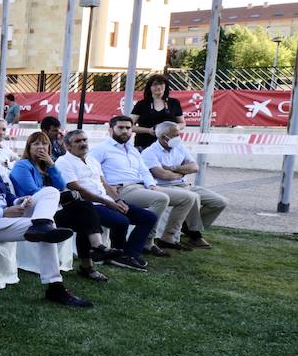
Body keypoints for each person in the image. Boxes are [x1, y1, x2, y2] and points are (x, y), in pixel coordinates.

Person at [0, 126, 90, 307]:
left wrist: (18, 201)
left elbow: (4, 193)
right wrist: (3, 212)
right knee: (49, 231)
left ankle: (42, 225)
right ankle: (55, 287)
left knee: (51, 192)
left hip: (6, 215)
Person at [8, 132, 112, 282]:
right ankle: (94, 253)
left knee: (85, 212)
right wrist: (57, 194)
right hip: (33, 212)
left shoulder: (46, 166)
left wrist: (52, 165)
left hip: (52, 209)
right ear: (28, 147)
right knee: (84, 211)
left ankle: (91, 259)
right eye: (36, 144)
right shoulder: (22, 165)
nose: (41, 147)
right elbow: (33, 191)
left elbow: (61, 185)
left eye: (44, 144)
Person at [57, 129, 157, 272]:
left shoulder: (92, 160)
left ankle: (129, 254)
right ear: (67, 146)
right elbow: (79, 190)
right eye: (78, 141)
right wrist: (108, 203)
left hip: (106, 201)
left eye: (84, 140)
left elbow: (104, 184)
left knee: (149, 217)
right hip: (88, 205)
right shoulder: (63, 161)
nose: (83, 143)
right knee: (121, 221)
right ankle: (117, 253)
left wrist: (118, 200)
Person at [89, 115, 172, 259]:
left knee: (188, 197)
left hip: (140, 187)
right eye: (120, 127)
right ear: (110, 130)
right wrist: (108, 189)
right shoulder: (101, 149)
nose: (125, 131)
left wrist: (151, 185)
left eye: (128, 128)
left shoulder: (132, 149)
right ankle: (147, 242)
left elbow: (144, 171)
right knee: (161, 199)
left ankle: (170, 238)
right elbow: (92, 173)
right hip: (120, 190)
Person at [141, 121, 227, 249]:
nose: (179, 137)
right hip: (164, 187)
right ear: (164, 137)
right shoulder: (149, 152)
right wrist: (182, 172)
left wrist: (172, 168)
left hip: (184, 184)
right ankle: (194, 235)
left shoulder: (179, 146)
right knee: (192, 197)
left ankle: (186, 227)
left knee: (220, 202)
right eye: (175, 135)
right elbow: (163, 175)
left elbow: (194, 167)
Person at [130, 73, 183, 151]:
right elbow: (130, 125)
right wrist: (148, 130)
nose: (158, 87)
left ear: (165, 86)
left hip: (169, 145)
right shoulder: (141, 104)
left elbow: (182, 123)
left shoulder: (174, 103)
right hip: (144, 145)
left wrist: (171, 129)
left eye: (161, 84)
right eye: (155, 84)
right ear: (149, 87)